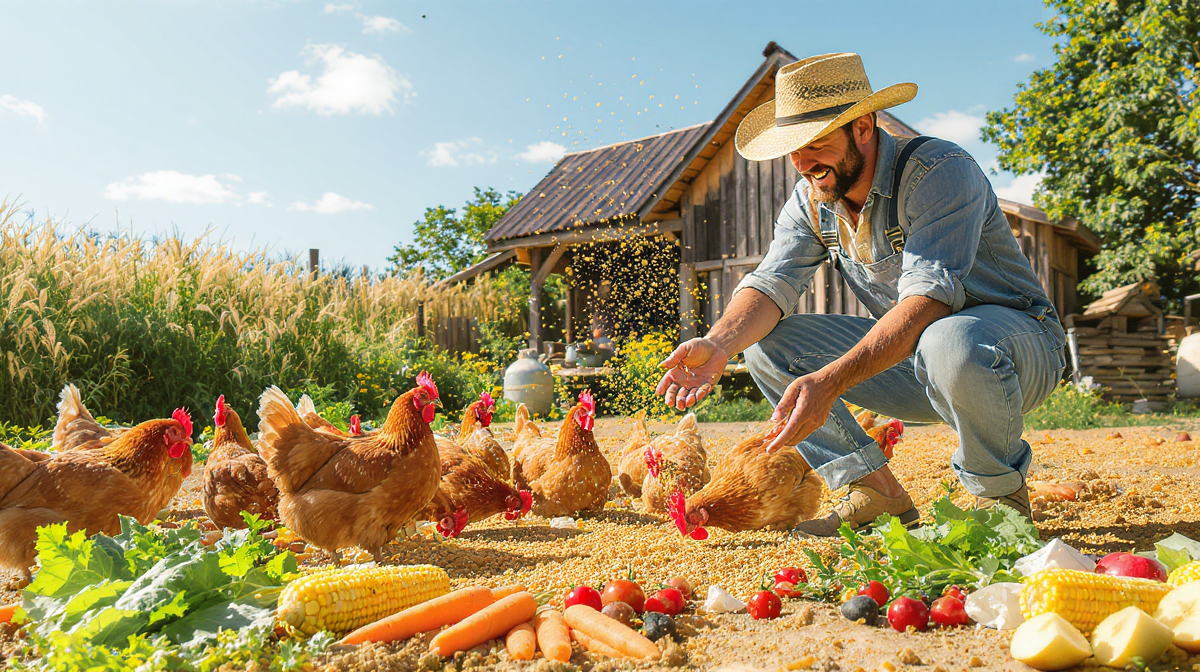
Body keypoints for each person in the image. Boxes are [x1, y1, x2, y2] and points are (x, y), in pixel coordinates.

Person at [655, 53, 1066, 536]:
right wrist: (720, 343)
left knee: (949, 339)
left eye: (816, 144)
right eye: (793, 150)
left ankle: (1000, 501)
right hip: (920, 362)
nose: (802, 164)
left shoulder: (939, 172)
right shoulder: (812, 201)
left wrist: (829, 382)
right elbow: (771, 283)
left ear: (864, 127)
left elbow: (928, 301)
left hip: (1016, 354)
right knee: (766, 347)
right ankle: (875, 493)